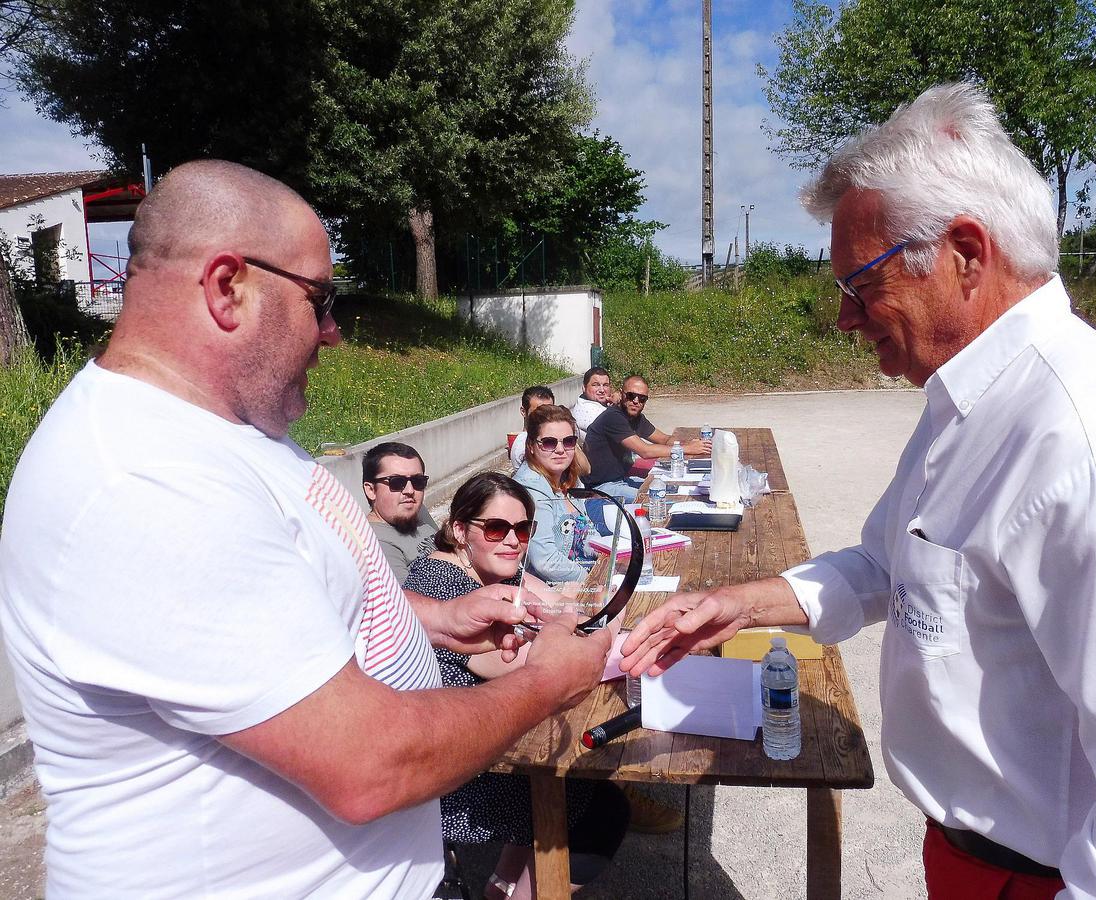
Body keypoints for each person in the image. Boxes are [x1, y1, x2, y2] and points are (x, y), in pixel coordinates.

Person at [621, 84, 1096, 899]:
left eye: (861, 286)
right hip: (968, 858)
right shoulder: (968, 400)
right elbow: (887, 563)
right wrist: (742, 604)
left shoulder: (1092, 451)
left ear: (966, 253)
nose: (846, 321)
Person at [0, 159, 611, 898]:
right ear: (228, 287)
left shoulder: (222, 430)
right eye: (321, 300)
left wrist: (442, 620)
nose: (334, 333)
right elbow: (369, 766)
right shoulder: (143, 481)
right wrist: (547, 683)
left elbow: (303, 592)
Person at [403, 473, 629, 900]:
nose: (512, 540)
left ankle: (501, 886)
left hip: (486, 746)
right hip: (457, 777)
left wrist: (574, 610)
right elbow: (539, 665)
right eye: (496, 528)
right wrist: (612, 623)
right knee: (603, 808)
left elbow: (563, 606)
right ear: (459, 530)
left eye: (523, 529)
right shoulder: (443, 584)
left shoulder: (488, 572)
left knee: (572, 779)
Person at [582, 375, 710, 502]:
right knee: (662, 498)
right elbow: (645, 451)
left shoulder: (636, 418)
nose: (636, 401)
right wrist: (688, 449)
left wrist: (695, 444)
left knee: (674, 488)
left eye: (642, 398)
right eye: (631, 396)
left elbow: (664, 439)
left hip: (621, 480)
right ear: (621, 394)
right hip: (602, 487)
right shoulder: (613, 418)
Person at [513, 405, 596, 584]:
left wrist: (615, 554)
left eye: (568, 442)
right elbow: (546, 562)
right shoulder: (531, 490)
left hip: (578, 578)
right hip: (547, 592)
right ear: (531, 446)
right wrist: (593, 579)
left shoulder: (568, 478)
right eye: (549, 442)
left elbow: (587, 535)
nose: (560, 450)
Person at [362, 441, 437, 583]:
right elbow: (411, 602)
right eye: (397, 482)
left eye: (418, 481)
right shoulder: (376, 545)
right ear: (371, 490)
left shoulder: (417, 511)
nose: (410, 491)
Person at [509, 385, 554, 468]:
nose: (545, 416)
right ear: (523, 411)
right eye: (538, 412)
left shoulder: (558, 435)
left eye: (549, 411)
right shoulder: (523, 445)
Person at [570, 366, 613, 442]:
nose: (602, 390)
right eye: (596, 385)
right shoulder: (588, 410)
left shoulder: (584, 401)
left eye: (605, 385)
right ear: (584, 388)